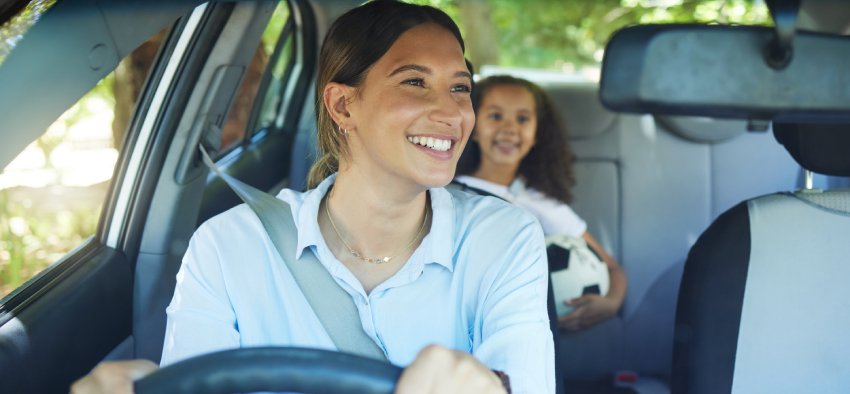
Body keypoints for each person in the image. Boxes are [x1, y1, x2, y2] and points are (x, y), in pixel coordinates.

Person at [71, 2, 554, 393]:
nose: (452, 112)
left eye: (460, 88)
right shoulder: (227, 247)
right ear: (343, 105)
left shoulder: (504, 237)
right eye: (415, 82)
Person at [454, 75, 627, 332]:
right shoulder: (446, 189)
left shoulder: (540, 203)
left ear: (537, 134)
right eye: (495, 116)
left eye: (522, 119)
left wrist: (611, 304)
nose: (509, 128)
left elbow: (612, 268)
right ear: (474, 127)